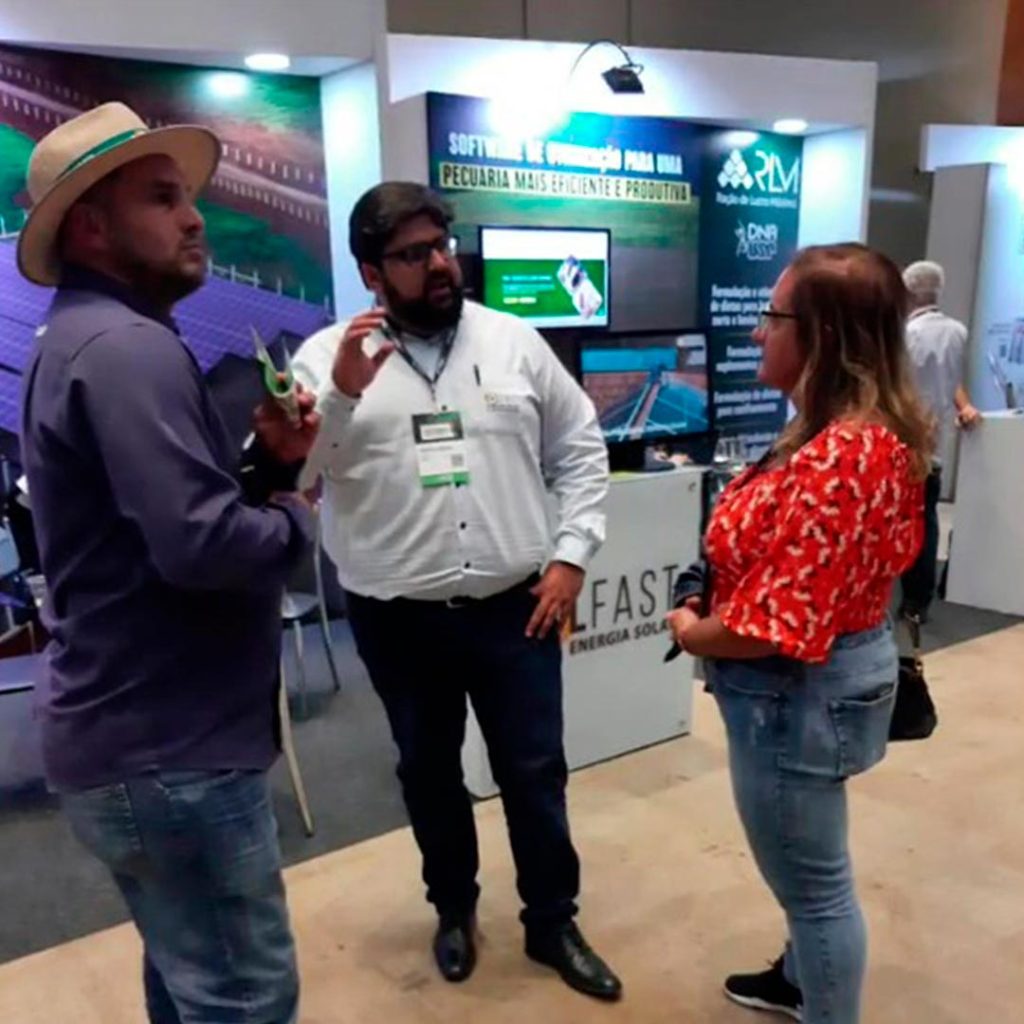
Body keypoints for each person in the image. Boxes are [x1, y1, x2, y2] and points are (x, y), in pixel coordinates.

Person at [18, 102, 319, 1024]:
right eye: (161, 198)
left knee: (191, 979)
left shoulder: (89, 338)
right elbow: (204, 546)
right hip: (170, 752)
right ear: (90, 227)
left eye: (186, 197)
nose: (193, 218)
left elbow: (154, 526)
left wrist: (268, 468)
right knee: (243, 997)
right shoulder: (127, 350)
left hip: (138, 742)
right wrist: (296, 520)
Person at [292, 182, 621, 1001]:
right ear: (372, 273)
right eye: (414, 254)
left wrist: (572, 556)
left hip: (517, 608)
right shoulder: (325, 359)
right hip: (396, 617)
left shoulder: (513, 341)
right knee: (429, 772)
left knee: (535, 770)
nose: (440, 264)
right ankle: (454, 910)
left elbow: (581, 448)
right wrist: (342, 395)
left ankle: (552, 920)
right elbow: (301, 478)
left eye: (442, 245)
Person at [668, 244, 931, 1024]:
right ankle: (796, 979)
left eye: (772, 317)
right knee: (811, 865)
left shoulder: (843, 454)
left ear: (824, 334)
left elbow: (774, 626)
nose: (757, 332)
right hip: (821, 683)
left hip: (794, 699)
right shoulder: (849, 434)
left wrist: (691, 631)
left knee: (816, 891)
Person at [900, 260, 980, 621]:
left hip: (905, 438)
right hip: (936, 441)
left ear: (908, 293)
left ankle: (909, 597)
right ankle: (919, 599)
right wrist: (964, 406)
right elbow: (950, 380)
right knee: (926, 515)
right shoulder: (957, 332)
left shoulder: (907, 336)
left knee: (907, 518)